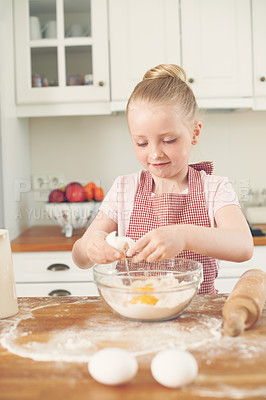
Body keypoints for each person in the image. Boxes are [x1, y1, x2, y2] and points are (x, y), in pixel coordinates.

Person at [72, 64, 253, 294]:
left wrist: (183, 235)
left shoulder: (214, 188)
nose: (155, 153)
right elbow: (79, 256)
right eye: (142, 143)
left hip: (198, 317)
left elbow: (243, 246)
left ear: (195, 133)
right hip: (137, 313)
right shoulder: (124, 189)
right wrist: (91, 246)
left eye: (168, 140)